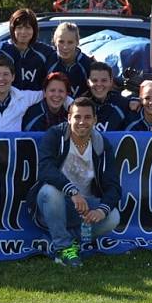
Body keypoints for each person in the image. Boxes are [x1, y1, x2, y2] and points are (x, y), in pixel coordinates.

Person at [26, 97, 122, 267]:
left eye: (87, 117)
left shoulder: (101, 144)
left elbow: (113, 185)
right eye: (77, 117)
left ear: (94, 120)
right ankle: (63, 249)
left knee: (113, 217)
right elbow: (45, 168)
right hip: (53, 203)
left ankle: (67, 242)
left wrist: (101, 210)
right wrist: (72, 191)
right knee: (50, 191)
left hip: (83, 208)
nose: (82, 122)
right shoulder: (55, 135)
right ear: (69, 118)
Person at [0, 56, 66, 132]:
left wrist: (73, 105)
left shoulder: (23, 98)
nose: (1, 79)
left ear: (13, 77)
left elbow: (52, 94)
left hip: (12, 162)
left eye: (6, 74)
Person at [0, 8, 56, 90]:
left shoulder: (45, 52)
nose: (23, 32)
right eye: (19, 27)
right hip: (9, 102)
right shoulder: (1, 50)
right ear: (13, 29)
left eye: (28, 28)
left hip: (35, 101)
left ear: (34, 30)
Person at [84, 62, 135, 132]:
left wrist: (136, 100)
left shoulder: (122, 104)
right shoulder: (80, 105)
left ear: (111, 82)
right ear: (88, 82)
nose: (99, 84)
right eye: (94, 80)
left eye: (104, 80)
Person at [46, 22, 93, 97]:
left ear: (77, 42)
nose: (65, 47)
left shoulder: (87, 64)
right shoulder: (48, 61)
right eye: (61, 42)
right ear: (55, 41)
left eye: (70, 42)